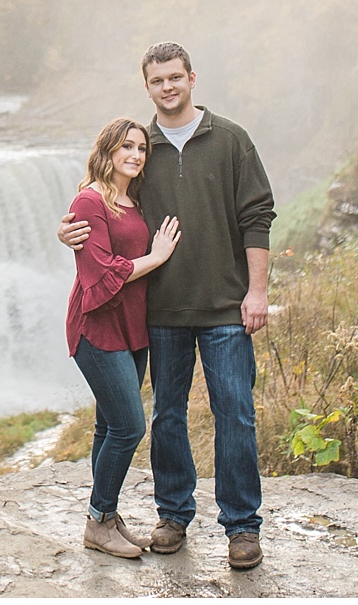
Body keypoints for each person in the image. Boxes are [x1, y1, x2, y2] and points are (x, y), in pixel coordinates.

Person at [58, 42, 275, 570]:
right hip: (159, 313)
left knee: (236, 415)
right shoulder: (141, 148)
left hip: (226, 306)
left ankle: (242, 527)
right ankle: (173, 515)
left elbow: (258, 215)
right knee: (167, 418)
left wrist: (258, 291)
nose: (168, 87)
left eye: (176, 78)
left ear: (192, 78)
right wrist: (69, 231)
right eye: (158, 81)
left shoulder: (229, 139)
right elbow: (104, 206)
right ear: (148, 85)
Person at [66, 117, 181, 559]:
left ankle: (107, 516)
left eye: (141, 148)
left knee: (106, 425)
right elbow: (101, 272)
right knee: (129, 426)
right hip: (97, 325)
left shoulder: (133, 200)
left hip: (132, 326)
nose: (134, 155)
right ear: (108, 151)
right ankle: (97, 520)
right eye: (125, 147)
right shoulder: (90, 201)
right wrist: (157, 257)